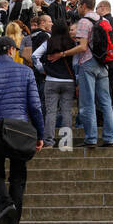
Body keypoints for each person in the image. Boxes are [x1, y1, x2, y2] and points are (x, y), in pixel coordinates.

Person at [0, 36, 44, 224]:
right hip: (21, 130)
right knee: (18, 176)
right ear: (12, 51)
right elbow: (35, 105)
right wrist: (40, 133)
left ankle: (6, 204)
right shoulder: (26, 71)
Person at [66, 0, 113, 149]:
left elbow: (82, 47)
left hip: (88, 63)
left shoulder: (84, 22)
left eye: (79, 5)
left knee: (87, 103)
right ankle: (109, 138)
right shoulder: (104, 20)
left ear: (83, 5)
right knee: (106, 102)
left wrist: (63, 54)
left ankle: (91, 138)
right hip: (103, 64)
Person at [36, 21, 77, 150]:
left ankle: (49, 142)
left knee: (50, 112)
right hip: (69, 81)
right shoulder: (72, 44)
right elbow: (76, 63)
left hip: (51, 80)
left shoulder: (48, 42)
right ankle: (65, 143)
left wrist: (43, 69)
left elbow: (34, 56)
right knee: (66, 112)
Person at [97, 0, 113, 108]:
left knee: (106, 91)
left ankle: (108, 116)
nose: (96, 11)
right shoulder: (112, 20)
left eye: (96, 8)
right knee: (107, 88)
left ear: (102, 8)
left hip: (109, 60)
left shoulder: (106, 21)